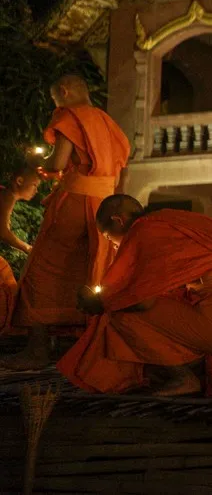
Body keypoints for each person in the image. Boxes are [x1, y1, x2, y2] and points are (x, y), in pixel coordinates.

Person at [57, 195, 212, 396]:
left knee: (120, 314)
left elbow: (141, 301)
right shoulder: (171, 220)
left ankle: (182, 376)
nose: (114, 246)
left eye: (109, 237)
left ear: (118, 220)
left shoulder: (145, 231)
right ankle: (188, 370)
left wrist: (101, 302)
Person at [4, 75, 131, 370]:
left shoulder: (71, 116)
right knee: (94, 271)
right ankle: (90, 349)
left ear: (63, 91)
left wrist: (42, 165)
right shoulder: (109, 123)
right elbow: (122, 170)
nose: (55, 105)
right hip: (106, 204)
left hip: (74, 202)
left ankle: (37, 350)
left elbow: (58, 163)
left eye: (54, 99)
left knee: (42, 270)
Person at [0, 167, 41, 331]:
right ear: (19, 181)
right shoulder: (7, 196)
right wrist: (26, 247)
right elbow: (3, 232)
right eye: (34, 185)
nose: (36, 191)